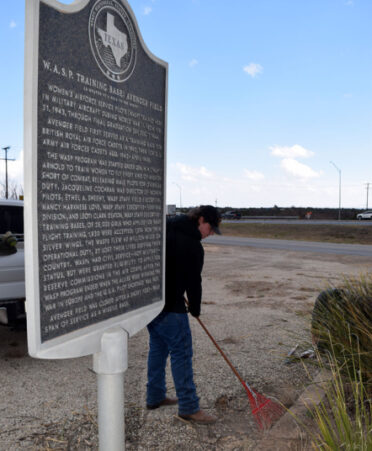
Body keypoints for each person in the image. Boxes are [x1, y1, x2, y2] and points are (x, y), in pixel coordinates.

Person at [146, 205, 221, 424]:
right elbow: (193, 283)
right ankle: (189, 407)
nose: (211, 233)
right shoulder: (193, 246)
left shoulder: (166, 227)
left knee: (158, 349)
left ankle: (155, 396)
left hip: (151, 306)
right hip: (171, 308)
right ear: (200, 220)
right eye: (211, 227)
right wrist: (195, 308)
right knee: (182, 353)